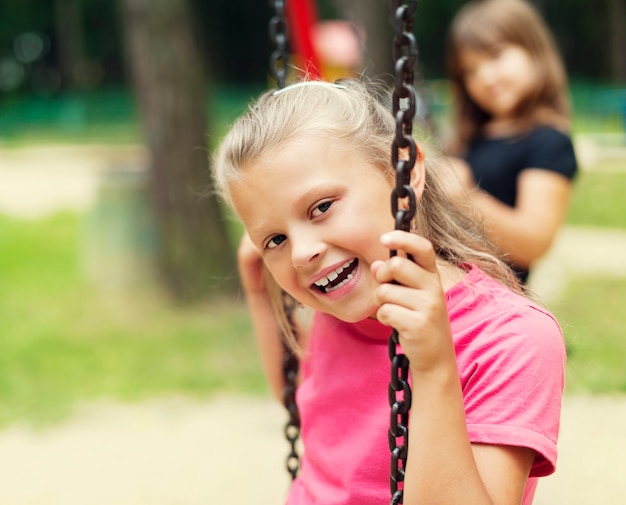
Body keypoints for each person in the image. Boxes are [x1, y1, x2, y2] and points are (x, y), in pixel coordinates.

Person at [213, 78, 565, 505]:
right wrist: (258, 293)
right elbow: (308, 405)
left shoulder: (510, 339)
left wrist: (434, 366)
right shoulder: (339, 312)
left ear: (405, 171)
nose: (303, 253)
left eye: (321, 207)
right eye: (275, 240)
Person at [444, 0, 578, 284]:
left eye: (495, 55)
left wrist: (464, 196)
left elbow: (533, 243)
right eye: (470, 70)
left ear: (533, 50)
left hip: (494, 301)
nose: (485, 77)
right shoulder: (469, 137)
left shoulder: (549, 142)